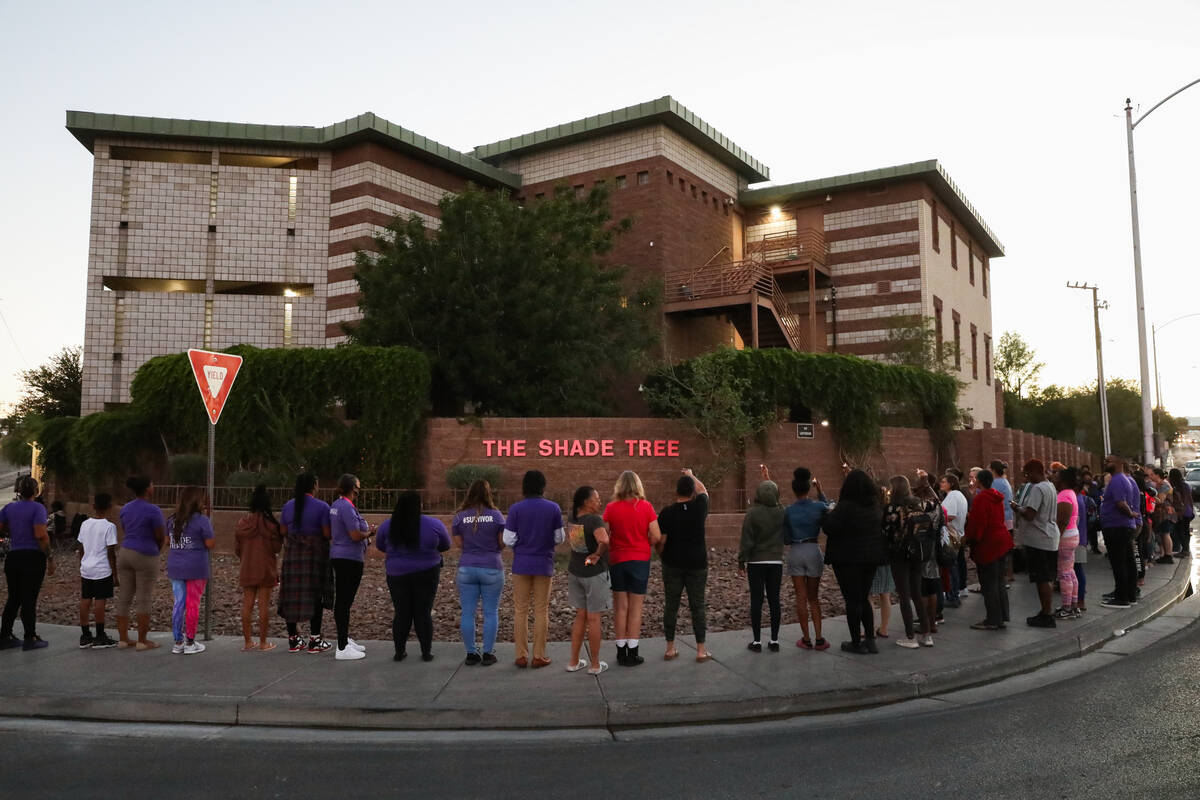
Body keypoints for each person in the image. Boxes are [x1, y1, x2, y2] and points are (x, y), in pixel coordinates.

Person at [378, 491, 450, 662]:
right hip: (427, 572)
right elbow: (445, 544)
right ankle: (426, 652)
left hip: (396, 573)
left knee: (402, 612)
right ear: (420, 506)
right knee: (423, 612)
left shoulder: (388, 526)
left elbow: (381, 546)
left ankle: (399, 651)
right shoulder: (433, 524)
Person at [504, 470, 565, 668]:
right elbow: (559, 538)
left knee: (520, 610)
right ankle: (539, 655)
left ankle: (521, 655)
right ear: (543, 486)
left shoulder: (515, 509)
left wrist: (521, 546)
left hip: (521, 564)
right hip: (544, 563)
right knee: (541, 609)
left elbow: (508, 539)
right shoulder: (553, 508)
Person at [824, 469, 888, 653]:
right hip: (871, 558)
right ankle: (870, 640)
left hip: (848, 560)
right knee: (864, 598)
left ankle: (856, 643)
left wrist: (826, 515)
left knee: (852, 600)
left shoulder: (845, 506)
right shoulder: (875, 505)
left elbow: (830, 527)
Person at [603, 470, 661, 666]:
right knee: (636, 608)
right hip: (639, 559)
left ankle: (620, 651)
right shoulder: (646, 507)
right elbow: (656, 536)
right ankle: (633, 652)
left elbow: (604, 535)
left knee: (620, 607)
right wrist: (644, 541)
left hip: (618, 559)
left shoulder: (611, 508)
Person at [657, 469, 713, 662]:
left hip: (672, 563)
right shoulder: (699, 507)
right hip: (697, 564)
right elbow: (704, 490)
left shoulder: (666, 513)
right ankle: (701, 650)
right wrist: (691, 474)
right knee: (697, 606)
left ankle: (670, 648)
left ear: (676, 492)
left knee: (671, 606)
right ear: (692, 492)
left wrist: (661, 554)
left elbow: (661, 540)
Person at [452, 479, 505, 667]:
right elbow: (502, 542)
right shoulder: (497, 516)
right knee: (490, 612)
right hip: (491, 566)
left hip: (467, 567)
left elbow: (459, 544)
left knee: (468, 612)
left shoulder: (459, 517)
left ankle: (471, 653)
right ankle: (488, 653)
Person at [278, 473, 333, 653]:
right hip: (314, 556)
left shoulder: (288, 506)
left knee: (291, 594)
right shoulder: (322, 507)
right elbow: (326, 534)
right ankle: (315, 640)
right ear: (314, 486)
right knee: (315, 594)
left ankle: (293, 639)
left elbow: (283, 530)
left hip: (293, 555)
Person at [0, 475, 54, 650]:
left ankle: (5, 635)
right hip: (33, 557)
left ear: (17, 490)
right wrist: (50, 556)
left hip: (13, 557)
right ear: (36, 491)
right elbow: (40, 534)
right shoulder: (38, 508)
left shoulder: (8, 508)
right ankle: (30, 636)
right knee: (29, 598)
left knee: (14, 598)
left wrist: (12, 530)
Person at [115, 475, 166, 650]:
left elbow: (125, 529)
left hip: (125, 551)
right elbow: (160, 535)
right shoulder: (154, 510)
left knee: (124, 597)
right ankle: (142, 641)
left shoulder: (126, 508)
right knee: (143, 598)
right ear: (147, 489)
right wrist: (156, 549)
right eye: (152, 484)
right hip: (145, 552)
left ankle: (123, 639)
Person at [738, 466, 786, 653]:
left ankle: (757, 641)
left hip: (756, 562)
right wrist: (769, 477)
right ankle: (774, 640)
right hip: (775, 562)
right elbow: (779, 500)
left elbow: (746, 540)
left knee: (756, 601)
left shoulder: (752, 514)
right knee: (775, 600)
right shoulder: (781, 512)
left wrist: (741, 561)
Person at [783, 467, 830, 651]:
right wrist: (820, 491)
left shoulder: (789, 511)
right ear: (808, 489)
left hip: (795, 549)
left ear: (794, 490)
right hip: (813, 548)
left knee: (800, 597)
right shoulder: (818, 506)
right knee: (814, 597)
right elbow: (828, 509)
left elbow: (785, 538)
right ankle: (819, 638)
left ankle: (806, 638)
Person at [566, 485, 611, 674]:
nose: (599, 502)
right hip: (594, 575)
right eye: (596, 498)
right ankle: (595, 665)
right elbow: (604, 540)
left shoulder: (573, 519)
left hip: (575, 572)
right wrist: (597, 555)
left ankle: (574, 662)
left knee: (580, 617)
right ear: (586, 502)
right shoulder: (594, 521)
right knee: (594, 619)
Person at [885, 476, 934, 648]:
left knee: (904, 596)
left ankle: (910, 637)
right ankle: (927, 634)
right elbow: (936, 504)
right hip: (918, 552)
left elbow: (887, 530)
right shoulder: (919, 504)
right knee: (917, 594)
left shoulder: (893, 508)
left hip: (899, 555)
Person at [165, 486, 215, 654]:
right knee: (193, 604)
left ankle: (178, 641)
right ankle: (190, 641)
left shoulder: (172, 519)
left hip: (175, 566)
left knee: (178, 603)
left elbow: (167, 541)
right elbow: (209, 544)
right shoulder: (202, 520)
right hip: (196, 566)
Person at [1011, 460, 1061, 627]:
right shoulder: (1050, 486)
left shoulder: (1038, 488)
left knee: (1042, 578)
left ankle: (1047, 614)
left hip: (1039, 539)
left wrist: (1016, 507)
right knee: (1047, 577)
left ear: (1034, 471)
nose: (1026, 478)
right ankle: (1046, 610)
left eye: (1026, 474)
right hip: (1049, 536)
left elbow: (1030, 514)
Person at [235, 485, 283, 651]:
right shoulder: (271, 524)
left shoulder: (243, 522)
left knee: (247, 604)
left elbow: (237, 549)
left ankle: (248, 642)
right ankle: (263, 642)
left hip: (247, 567)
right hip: (266, 569)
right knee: (264, 605)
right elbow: (277, 548)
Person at [329, 473, 372, 661]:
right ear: (352, 487)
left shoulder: (336, 505)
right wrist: (370, 532)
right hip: (349, 558)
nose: (360, 489)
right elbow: (355, 535)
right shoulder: (346, 507)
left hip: (340, 555)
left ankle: (343, 638)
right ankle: (342, 646)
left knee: (343, 600)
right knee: (344, 601)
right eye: (358, 485)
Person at [963, 469, 1012, 630]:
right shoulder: (995, 496)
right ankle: (1001, 616)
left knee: (989, 583)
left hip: (989, 544)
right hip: (1001, 540)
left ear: (979, 482)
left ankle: (992, 619)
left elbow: (979, 524)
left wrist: (969, 539)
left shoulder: (981, 499)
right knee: (998, 580)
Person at [76, 492, 119, 649]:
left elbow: (80, 547)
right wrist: (115, 575)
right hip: (102, 569)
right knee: (100, 600)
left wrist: (82, 563)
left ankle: (85, 635)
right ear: (109, 507)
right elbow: (111, 553)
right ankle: (100, 636)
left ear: (93, 506)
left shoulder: (85, 524)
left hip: (86, 567)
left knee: (86, 599)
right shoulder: (109, 526)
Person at [1099, 455, 1141, 609]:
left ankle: (1121, 598)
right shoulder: (1122, 479)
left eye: (1108, 461)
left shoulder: (1117, 480)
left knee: (1119, 563)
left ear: (1119, 462)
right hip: (1121, 526)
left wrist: (1130, 513)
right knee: (1128, 562)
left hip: (1116, 526)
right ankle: (1129, 595)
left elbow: (1120, 502)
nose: (1105, 463)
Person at [1052, 467, 1081, 620]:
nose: (1054, 479)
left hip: (1065, 537)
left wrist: (1056, 539)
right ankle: (1073, 605)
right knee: (1070, 572)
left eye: (1056, 477)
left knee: (1063, 574)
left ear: (1063, 481)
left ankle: (1067, 607)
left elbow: (1062, 521)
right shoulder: (1071, 494)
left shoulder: (1063, 496)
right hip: (1073, 535)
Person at [939, 474, 968, 609]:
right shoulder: (959, 495)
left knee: (951, 568)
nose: (941, 483)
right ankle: (953, 594)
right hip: (957, 534)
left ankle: (952, 596)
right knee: (953, 566)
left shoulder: (953, 496)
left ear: (951, 483)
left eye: (944, 481)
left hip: (951, 536)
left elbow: (949, 515)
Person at [1168, 468, 1194, 558]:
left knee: (1180, 531)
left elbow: (1177, 501)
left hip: (1181, 512)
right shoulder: (1186, 485)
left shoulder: (1176, 487)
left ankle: (1184, 550)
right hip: (1188, 511)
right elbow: (1189, 499)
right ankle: (1186, 550)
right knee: (1186, 531)